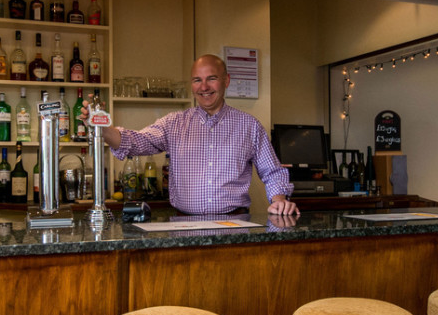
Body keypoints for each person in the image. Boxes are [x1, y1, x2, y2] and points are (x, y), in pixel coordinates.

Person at [87, 54, 299, 216]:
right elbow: (136, 142)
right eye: (197, 80)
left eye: (212, 79)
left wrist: (279, 199)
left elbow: (273, 172)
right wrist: (103, 129)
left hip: (234, 223)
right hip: (184, 223)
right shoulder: (174, 123)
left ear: (226, 81)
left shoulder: (249, 125)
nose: (204, 87)